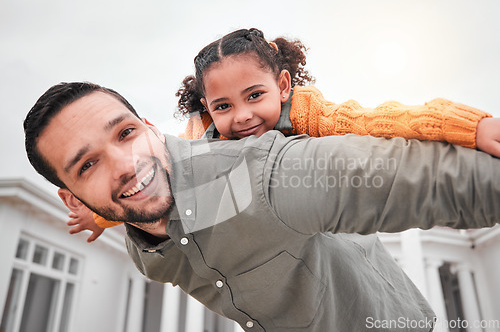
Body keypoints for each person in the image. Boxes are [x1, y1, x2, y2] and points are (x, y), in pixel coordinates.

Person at [24, 81, 500, 331]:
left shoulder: (258, 175)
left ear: (149, 127)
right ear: (71, 197)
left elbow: (423, 181)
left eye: (126, 133)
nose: (125, 164)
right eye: (87, 166)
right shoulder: (146, 251)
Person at [70, 28, 499, 239]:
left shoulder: (314, 115)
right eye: (223, 106)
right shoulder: (202, 139)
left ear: (283, 86)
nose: (241, 116)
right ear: (207, 108)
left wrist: (471, 126)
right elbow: (155, 183)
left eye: (254, 95)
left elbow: (383, 119)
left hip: (319, 206)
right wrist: (103, 215)